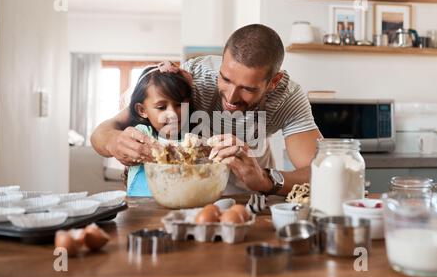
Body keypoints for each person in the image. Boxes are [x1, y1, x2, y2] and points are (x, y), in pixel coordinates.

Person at [91, 24, 322, 196]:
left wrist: (266, 179)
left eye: (248, 89)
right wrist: (114, 141)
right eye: (226, 79)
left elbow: (320, 171)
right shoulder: (194, 77)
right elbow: (102, 133)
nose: (231, 97)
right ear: (221, 63)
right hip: (196, 192)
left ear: (273, 82)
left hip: (251, 191)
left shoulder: (288, 98)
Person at [124, 65, 192, 196]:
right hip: (139, 208)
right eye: (161, 107)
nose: (172, 113)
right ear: (142, 110)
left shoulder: (190, 141)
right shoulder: (142, 134)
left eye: (179, 105)